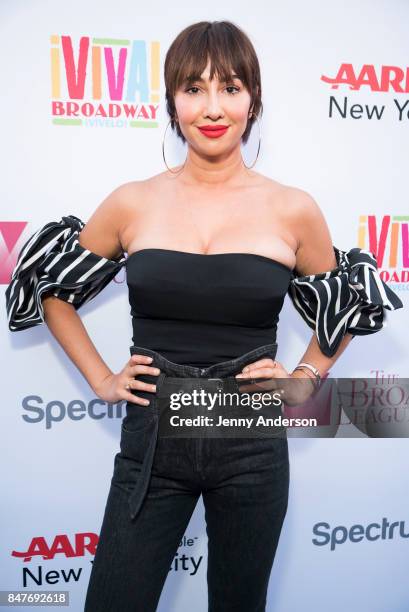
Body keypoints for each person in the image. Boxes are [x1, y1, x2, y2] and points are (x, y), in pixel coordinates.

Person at [5, 20, 403, 612]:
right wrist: (101, 379)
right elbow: (52, 288)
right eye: (193, 88)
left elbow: (344, 305)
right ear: (171, 101)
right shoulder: (131, 201)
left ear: (254, 100)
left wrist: (304, 380)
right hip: (153, 438)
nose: (212, 107)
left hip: (250, 440)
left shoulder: (294, 210)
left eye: (231, 87)